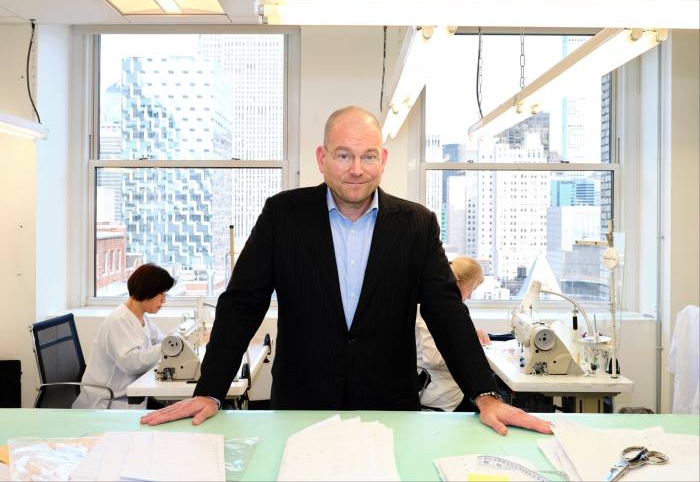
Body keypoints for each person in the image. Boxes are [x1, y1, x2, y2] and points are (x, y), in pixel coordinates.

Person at [141, 106, 550, 436]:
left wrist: (485, 394)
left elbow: (446, 313)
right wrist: (210, 391)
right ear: (322, 159)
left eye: (368, 155)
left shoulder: (416, 224)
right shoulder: (282, 216)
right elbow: (242, 305)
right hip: (301, 406)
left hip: (389, 409)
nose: (357, 169)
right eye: (343, 155)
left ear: (383, 159)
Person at [73, 263, 174, 409]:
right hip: (107, 403)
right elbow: (132, 364)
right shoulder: (119, 321)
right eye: (162, 294)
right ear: (148, 291)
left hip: (126, 396)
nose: (164, 300)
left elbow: (160, 340)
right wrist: (168, 347)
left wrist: (176, 341)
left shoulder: (141, 318)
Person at [416, 256, 492, 412]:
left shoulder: (450, 309)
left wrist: (470, 335)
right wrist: (470, 351)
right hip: (440, 393)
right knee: (493, 401)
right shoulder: (427, 307)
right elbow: (434, 359)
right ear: (457, 281)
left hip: (447, 386)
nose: (470, 296)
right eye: (472, 288)